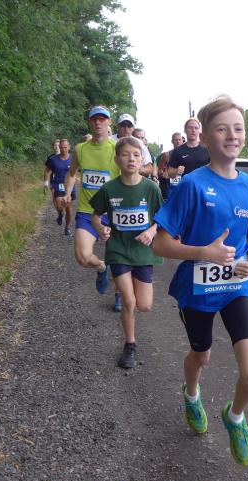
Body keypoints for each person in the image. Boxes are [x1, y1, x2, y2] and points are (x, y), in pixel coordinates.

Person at [152, 95, 248, 466]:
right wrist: (204, 252)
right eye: (222, 129)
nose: (232, 135)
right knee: (201, 355)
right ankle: (191, 394)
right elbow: (160, 243)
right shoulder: (192, 185)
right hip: (197, 290)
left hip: (236, 288)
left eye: (238, 128)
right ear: (205, 138)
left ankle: (235, 417)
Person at [90, 137, 164, 369]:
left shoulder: (151, 189)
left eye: (136, 155)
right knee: (129, 301)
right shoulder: (109, 189)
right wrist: (101, 228)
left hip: (143, 252)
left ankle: (126, 290)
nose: (131, 159)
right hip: (118, 250)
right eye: (125, 154)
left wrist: (152, 230)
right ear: (117, 160)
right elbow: (95, 215)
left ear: (142, 160)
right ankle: (130, 344)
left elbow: (163, 219)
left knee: (144, 305)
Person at [60, 105, 120, 300]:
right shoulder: (80, 149)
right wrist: (67, 193)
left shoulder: (117, 149)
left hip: (114, 212)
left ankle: (120, 294)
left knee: (121, 259)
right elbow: (71, 174)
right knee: (82, 257)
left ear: (109, 122)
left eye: (102, 119)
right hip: (88, 211)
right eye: (94, 119)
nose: (98, 122)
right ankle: (101, 267)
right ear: (89, 122)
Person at [165, 117, 209, 193]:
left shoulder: (207, 149)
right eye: (190, 127)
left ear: (199, 131)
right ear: (185, 130)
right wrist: (176, 171)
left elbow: (215, 169)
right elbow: (169, 173)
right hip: (186, 190)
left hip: (205, 189)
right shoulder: (178, 151)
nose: (193, 130)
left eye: (196, 128)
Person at [44, 138, 76, 234]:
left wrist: (78, 178)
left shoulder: (73, 158)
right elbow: (47, 170)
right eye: (61, 147)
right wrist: (46, 182)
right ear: (59, 147)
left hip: (69, 185)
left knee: (69, 208)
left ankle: (67, 227)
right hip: (58, 184)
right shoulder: (53, 159)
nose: (63, 150)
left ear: (69, 147)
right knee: (59, 205)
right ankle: (60, 213)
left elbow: (79, 170)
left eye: (65, 147)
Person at [113, 114, 154, 179]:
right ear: (118, 126)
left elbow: (149, 166)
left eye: (129, 126)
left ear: (133, 128)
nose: (126, 129)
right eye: (123, 125)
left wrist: (138, 169)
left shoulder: (139, 143)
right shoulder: (109, 140)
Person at [157, 132, 184, 200]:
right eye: (176, 140)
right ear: (172, 141)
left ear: (182, 140)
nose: (178, 142)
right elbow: (159, 170)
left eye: (179, 139)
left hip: (183, 185)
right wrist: (163, 174)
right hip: (170, 187)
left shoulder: (188, 154)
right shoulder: (167, 155)